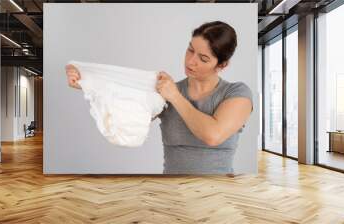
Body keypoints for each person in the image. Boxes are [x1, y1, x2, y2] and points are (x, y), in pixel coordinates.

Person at [65, 21, 253, 175]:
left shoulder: (237, 93)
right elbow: (126, 113)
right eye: (190, 50)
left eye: (203, 58)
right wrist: (88, 83)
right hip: (170, 194)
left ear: (222, 65)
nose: (191, 61)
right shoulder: (165, 90)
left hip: (218, 196)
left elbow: (213, 135)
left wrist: (175, 96)